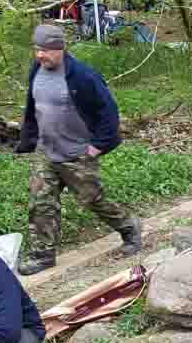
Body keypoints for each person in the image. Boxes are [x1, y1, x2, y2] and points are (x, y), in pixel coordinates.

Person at [12, 23, 141, 275]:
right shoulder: (36, 70)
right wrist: (30, 137)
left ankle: (128, 226)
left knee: (92, 200)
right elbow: (33, 107)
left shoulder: (82, 75)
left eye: (46, 50)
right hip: (46, 152)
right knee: (41, 204)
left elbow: (109, 112)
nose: (40, 55)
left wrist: (96, 148)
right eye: (37, 49)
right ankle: (43, 254)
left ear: (61, 48)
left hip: (76, 154)